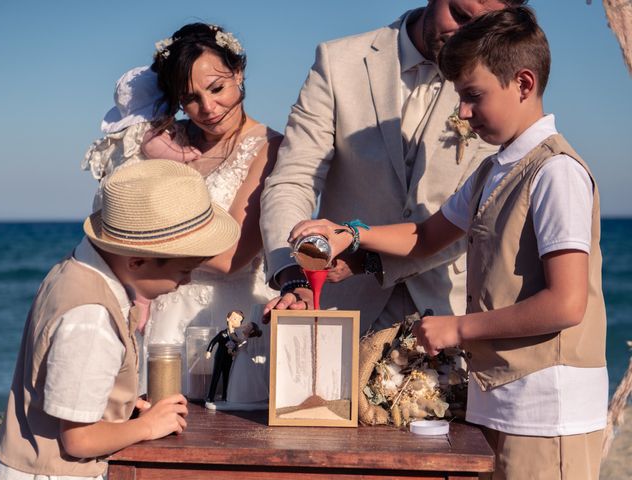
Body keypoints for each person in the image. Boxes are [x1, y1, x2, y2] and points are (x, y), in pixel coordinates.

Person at [290, 7, 607, 479]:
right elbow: (424, 236)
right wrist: (350, 233)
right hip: (498, 398)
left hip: (548, 408)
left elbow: (566, 304)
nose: (462, 112)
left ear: (523, 83)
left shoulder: (556, 172)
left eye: (473, 96)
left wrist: (458, 329)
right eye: (460, 97)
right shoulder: (491, 171)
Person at [261, 0, 527, 333]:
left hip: (448, 311)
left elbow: (481, 213)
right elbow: (292, 180)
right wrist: (295, 275)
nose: (465, 35)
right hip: (340, 304)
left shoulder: (497, 83)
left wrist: (370, 260)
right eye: (459, 15)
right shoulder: (338, 62)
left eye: (483, 26)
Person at [0, 160, 240, 479]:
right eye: (184, 270)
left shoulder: (73, 272)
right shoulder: (91, 317)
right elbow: (79, 439)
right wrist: (147, 426)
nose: (188, 281)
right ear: (136, 261)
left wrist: (124, 405)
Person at [142, 23, 281, 391]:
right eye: (190, 98)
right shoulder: (167, 143)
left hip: (231, 319)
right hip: (167, 317)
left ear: (238, 72)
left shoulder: (270, 148)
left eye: (217, 88)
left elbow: (229, 255)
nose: (208, 108)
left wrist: (146, 242)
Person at [82, 65, 203, 211]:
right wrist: (184, 153)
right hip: (138, 192)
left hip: (115, 196)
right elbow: (152, 146)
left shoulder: (124, 137)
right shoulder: (150, 129)